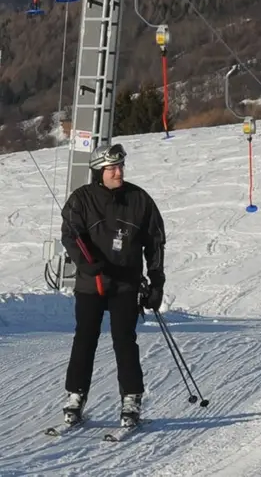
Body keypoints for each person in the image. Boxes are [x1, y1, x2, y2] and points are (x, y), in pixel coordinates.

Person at [60, 143, 166, 428]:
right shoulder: (81, 199)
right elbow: (70, 234)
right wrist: (85, 263)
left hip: (126, 283)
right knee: (85, 339)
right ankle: (76, 395)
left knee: (124, 340)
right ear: (99, 171)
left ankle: (131, 398)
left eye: (121, 167)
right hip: (90, 282)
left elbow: (155, 242)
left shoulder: (139, 199)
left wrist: (157, 282)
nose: (118, 172)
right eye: (112, 168)